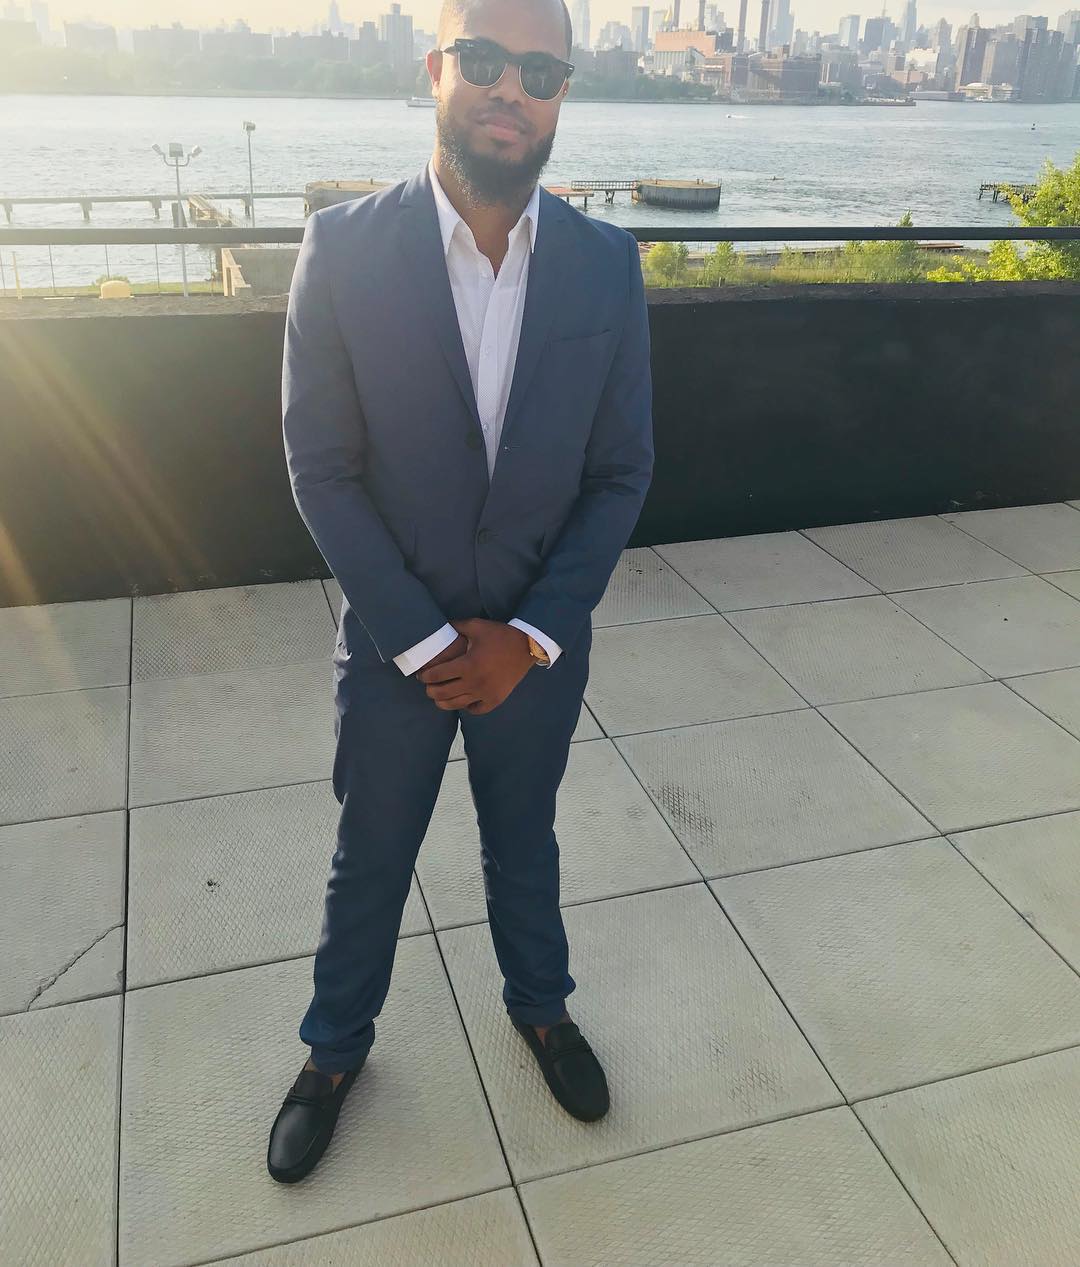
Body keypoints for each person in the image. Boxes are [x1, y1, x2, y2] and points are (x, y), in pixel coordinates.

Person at [271, 0, 654, 1184]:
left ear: (562, 94)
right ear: (434, 69)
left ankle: (541, 1007)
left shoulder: (606, 264)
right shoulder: (343, 250)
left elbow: (621, 471)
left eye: (540, 72)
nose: (510, 91)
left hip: (534, 651)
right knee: (371, 856)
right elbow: (320, 467)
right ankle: (334, 1052)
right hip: (400, 647)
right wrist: (425, 638)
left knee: (524, 838)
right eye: (484, 60)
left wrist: (528, 635)